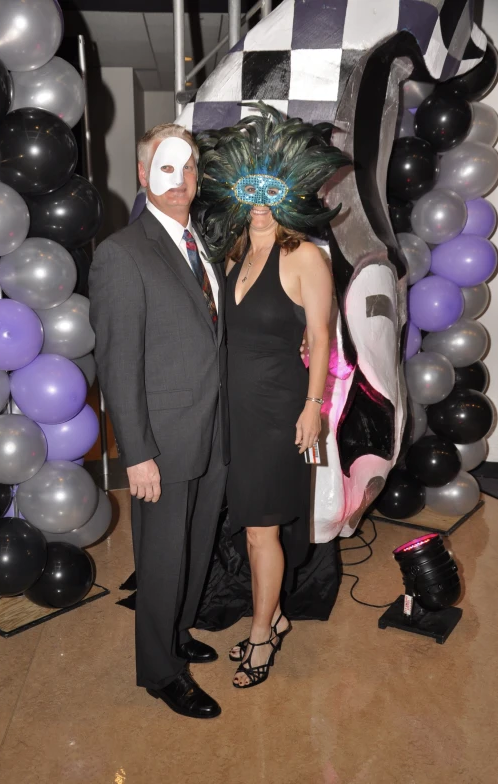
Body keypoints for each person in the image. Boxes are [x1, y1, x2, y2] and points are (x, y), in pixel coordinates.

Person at [195, 103, 349, 688]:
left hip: (279, 410)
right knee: (251, 523)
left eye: (270, 191)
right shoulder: (235, 252)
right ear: (234, 194)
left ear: (289, 195)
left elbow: (320, 337)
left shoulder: (303, 256)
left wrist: (314, 407)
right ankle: (275, 616)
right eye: (248, 191)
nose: (258, 203)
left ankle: (261, 635)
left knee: (262, 527)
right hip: (234, 411)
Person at [89, 124, 229, 719]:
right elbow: (117, 363)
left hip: (212, 430)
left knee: (197, 547)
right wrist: (137, 452)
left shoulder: (200, 245)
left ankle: (177, 633)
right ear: (144, 175)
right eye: (166, 167)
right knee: (164, 555)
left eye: (190, 167)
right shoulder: (122, 253)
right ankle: (160, 669)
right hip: (163, 442)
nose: (180, 179)